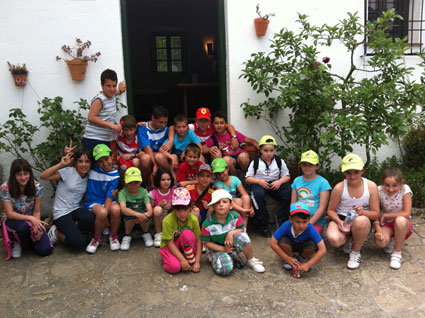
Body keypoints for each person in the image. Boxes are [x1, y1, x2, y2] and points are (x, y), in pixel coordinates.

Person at [326, 153, 380, 270]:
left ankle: (355, 252)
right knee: (334, 239)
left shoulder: (371, 186)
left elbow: (376, 213)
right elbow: (330, 210)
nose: (352, 176)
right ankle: (350, 239)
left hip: (361, 220)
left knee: (361, 221)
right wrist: (338, 222)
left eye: (356, 172)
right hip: (342, 218)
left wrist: (364, 212)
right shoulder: (339, 187)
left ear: (362, 171)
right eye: (348, 172)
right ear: (344, 173)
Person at [201, 189, 265, 275]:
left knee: (243, 236)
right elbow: (206, 243)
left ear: (231, 205)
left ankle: (251, 259)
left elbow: (242, 229)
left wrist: (230, 233)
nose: (221, 204)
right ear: (213, 206)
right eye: (217, 202)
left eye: (224, 202)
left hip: (231, 245)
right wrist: (223, 249)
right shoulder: (207, 224)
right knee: (224, 270)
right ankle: (213, 257)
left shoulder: (235, 216)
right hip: (217, 249)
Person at [40, 149, 95, 251]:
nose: (84, 165)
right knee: (79, 244)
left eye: (87, 161)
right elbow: (43, 176)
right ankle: (56, 232)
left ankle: (72, 229)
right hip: (61, 213)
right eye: (80, 161)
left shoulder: (89, 176)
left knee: (91, 218)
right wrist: (61, 164)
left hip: (75, 209)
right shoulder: (68, 172)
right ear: (75, 162)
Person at [1, 159, 53, 258]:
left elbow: (37, 211)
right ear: (13, 175)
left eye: (26, 173)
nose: (23, 177)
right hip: (13, 220)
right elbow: (10, 213)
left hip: (31, 219)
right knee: (22, 227)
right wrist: (31, 219)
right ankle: (16, 241)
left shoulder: (37, 187)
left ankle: (29, 241)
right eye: (19, 174)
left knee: (45, 250)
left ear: (30, 173)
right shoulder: (5, 188)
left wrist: (35, 227)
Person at [245, 135, 292, 237]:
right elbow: (248, 178)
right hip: (259, 183)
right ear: (260, 150)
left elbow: (287, 176)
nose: (269, 153)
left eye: (271, 150)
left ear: (274, 150)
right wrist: (258, 181)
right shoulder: (255, 162)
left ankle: (281, 217)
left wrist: (279, 181)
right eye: (265, 150)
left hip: (275, 183)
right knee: (257, 195)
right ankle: (263, 225)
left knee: (289, 191)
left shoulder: (279, 161)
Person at [270, 202, 326, 275]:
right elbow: (272, 243)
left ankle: (302, 258)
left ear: (309, 219)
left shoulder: (310, 228)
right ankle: (291, 258)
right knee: (283, 242)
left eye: (304, 222)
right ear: (291, 219)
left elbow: (323, 249)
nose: (301, 226)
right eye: (297, 222)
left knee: (312, 247)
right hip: (290, 243)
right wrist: (286, 258)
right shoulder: (286, 225)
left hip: (305, 245)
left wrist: (308, 264)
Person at [84, 144, 121, 254]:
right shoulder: (92, 169)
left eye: (106, 159)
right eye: (100, 161)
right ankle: (96, 238)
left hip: (107, 200)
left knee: (116, 210)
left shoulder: (115, 175)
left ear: (112, 156)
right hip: (93, 202)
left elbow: (109, 196)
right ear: (96, 162)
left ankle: (113, 235)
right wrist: (104, 216)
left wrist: (106, 213)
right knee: (102, 212)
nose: (105, 163)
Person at [374, 167, 413, 269]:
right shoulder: (379, 190)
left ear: (401, 183)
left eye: (395, 185)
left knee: (400, 220)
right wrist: (377, 230)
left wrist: (387, 215)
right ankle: (391, 239)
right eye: (387, 185)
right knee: (380, 242)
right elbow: (375, 212)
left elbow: (407, 213)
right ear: (383, 183)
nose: (391, 189)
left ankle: (397, 253)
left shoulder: (405, 189)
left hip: (402, 222)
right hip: (386, 223)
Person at [81, 69, 126, 151]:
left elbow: (114, 92)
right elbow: (91, 117)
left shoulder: (111, 94)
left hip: (104, 139)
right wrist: (111, 125)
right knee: (97, 164)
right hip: (94, 139)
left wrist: (120, 90)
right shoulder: (99, 100)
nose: (112, 89)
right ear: (102, 85)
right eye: (108, 86)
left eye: (114, 85)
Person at [159, 187, 202, 274]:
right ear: (173, 209)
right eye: (178, 210)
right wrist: (182, 260)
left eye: (185, 209)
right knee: (174, 267)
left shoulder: (193, 219)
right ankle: (171, 258)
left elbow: (199, 241)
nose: (182, 214)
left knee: (188, 234)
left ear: (190, 207)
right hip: (169, 246)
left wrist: (197, 262)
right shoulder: (167, 220)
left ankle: (185, 257)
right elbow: (169, 243)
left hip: (183, 244)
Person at [290, 150, 331, 235]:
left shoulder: (323, 183)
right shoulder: (297, 181)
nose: (307, 167)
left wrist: (308, 224)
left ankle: (322, 230)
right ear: (301, 165)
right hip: (298, 219)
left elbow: (322, 208)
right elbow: (293, 204)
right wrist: (295, 221)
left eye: (311, 164)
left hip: (315, 221)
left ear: (317, 166)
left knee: (308, 240)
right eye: (304, 164)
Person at [137, 105, 175, 185]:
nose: (163, 125)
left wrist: (171, 140)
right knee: (145, 158)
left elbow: (173, 127)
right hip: (148, 156)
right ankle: (144, 185)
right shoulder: (143, 128)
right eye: (160, 122)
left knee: (160, 157)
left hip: (160, 157)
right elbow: (147, 149)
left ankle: (171, 182)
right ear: (153, 118)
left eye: (165, 122)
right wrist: (154, 164)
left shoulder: (165, 129)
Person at [211, 158, 254, 227]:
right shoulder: (218, 183)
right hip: (225, 205)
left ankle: (243, 227)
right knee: (238, 201)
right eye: (218, 174)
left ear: (227, 168)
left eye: (222, 172)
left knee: (245, 197)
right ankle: (234, 226)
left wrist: (250, 207)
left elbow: (245, 194)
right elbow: (225, 199)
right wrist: (242, 210)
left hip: (235, 205)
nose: (221, 175)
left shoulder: (234, 179)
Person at [118, 167, 153, 250]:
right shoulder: (122, 193)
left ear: (140, 182)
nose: (133, 185)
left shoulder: (144, 191)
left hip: (141, 213)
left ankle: (146, 233)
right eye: (130, 183)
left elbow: (150, 209)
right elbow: (123, 209)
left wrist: (144, 215)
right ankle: (127, 235)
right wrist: (138, 215)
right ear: (126, 182)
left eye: (136, 182)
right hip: (130, 214)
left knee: (145, 217)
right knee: (129, 216)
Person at [149, 168, 175, 248]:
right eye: (163, 180)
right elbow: (150, 211)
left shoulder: (174, 192)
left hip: (170, 221)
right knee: (157, 209)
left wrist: (171, 207)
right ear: (158, 180)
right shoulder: (153, 193)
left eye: (168, 179)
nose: (166, 182)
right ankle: (158, 234)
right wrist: (160, 206)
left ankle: (172, 232)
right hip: (158, 221)